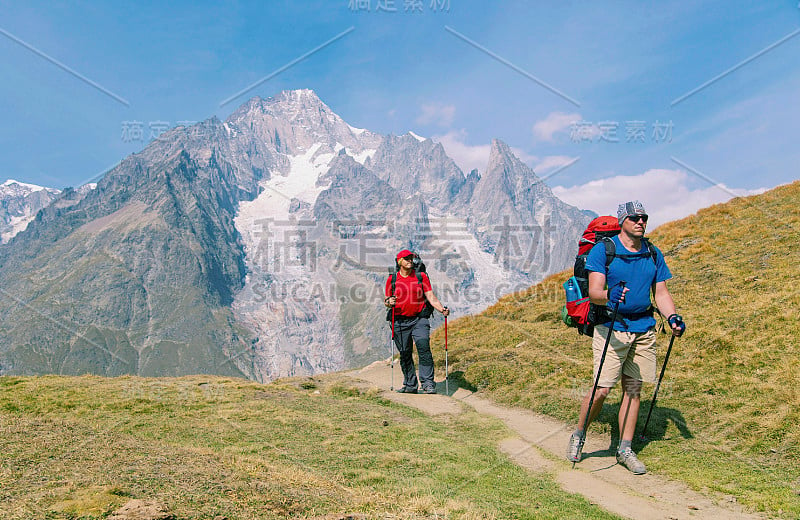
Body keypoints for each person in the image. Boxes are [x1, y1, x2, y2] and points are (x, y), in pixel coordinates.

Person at [566, 201, 685, 474]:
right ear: (623, 221)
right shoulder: (603, 251)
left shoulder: (653, 253)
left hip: (644, 328)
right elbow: (595, 292)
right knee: (602, 389)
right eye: (635, 218)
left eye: (644, 217)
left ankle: (625, 449)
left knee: (633, 390)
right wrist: (610, 294)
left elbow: (662, 293)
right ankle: (579, 434)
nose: (641, 222)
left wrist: (672, 317)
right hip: (611, 326)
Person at [384, 249, 450, 394]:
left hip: (419, 319)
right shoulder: (392, 279)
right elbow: (387, 299)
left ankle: (427, 383)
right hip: (400, 321)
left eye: (411, 258)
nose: (410, 261)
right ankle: (410, 385)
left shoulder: (421, 277)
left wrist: (441, 309)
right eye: (406, 259)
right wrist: (389, 302)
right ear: (399, 261)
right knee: (405, 352)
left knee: (423, 346)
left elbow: (431, 297)